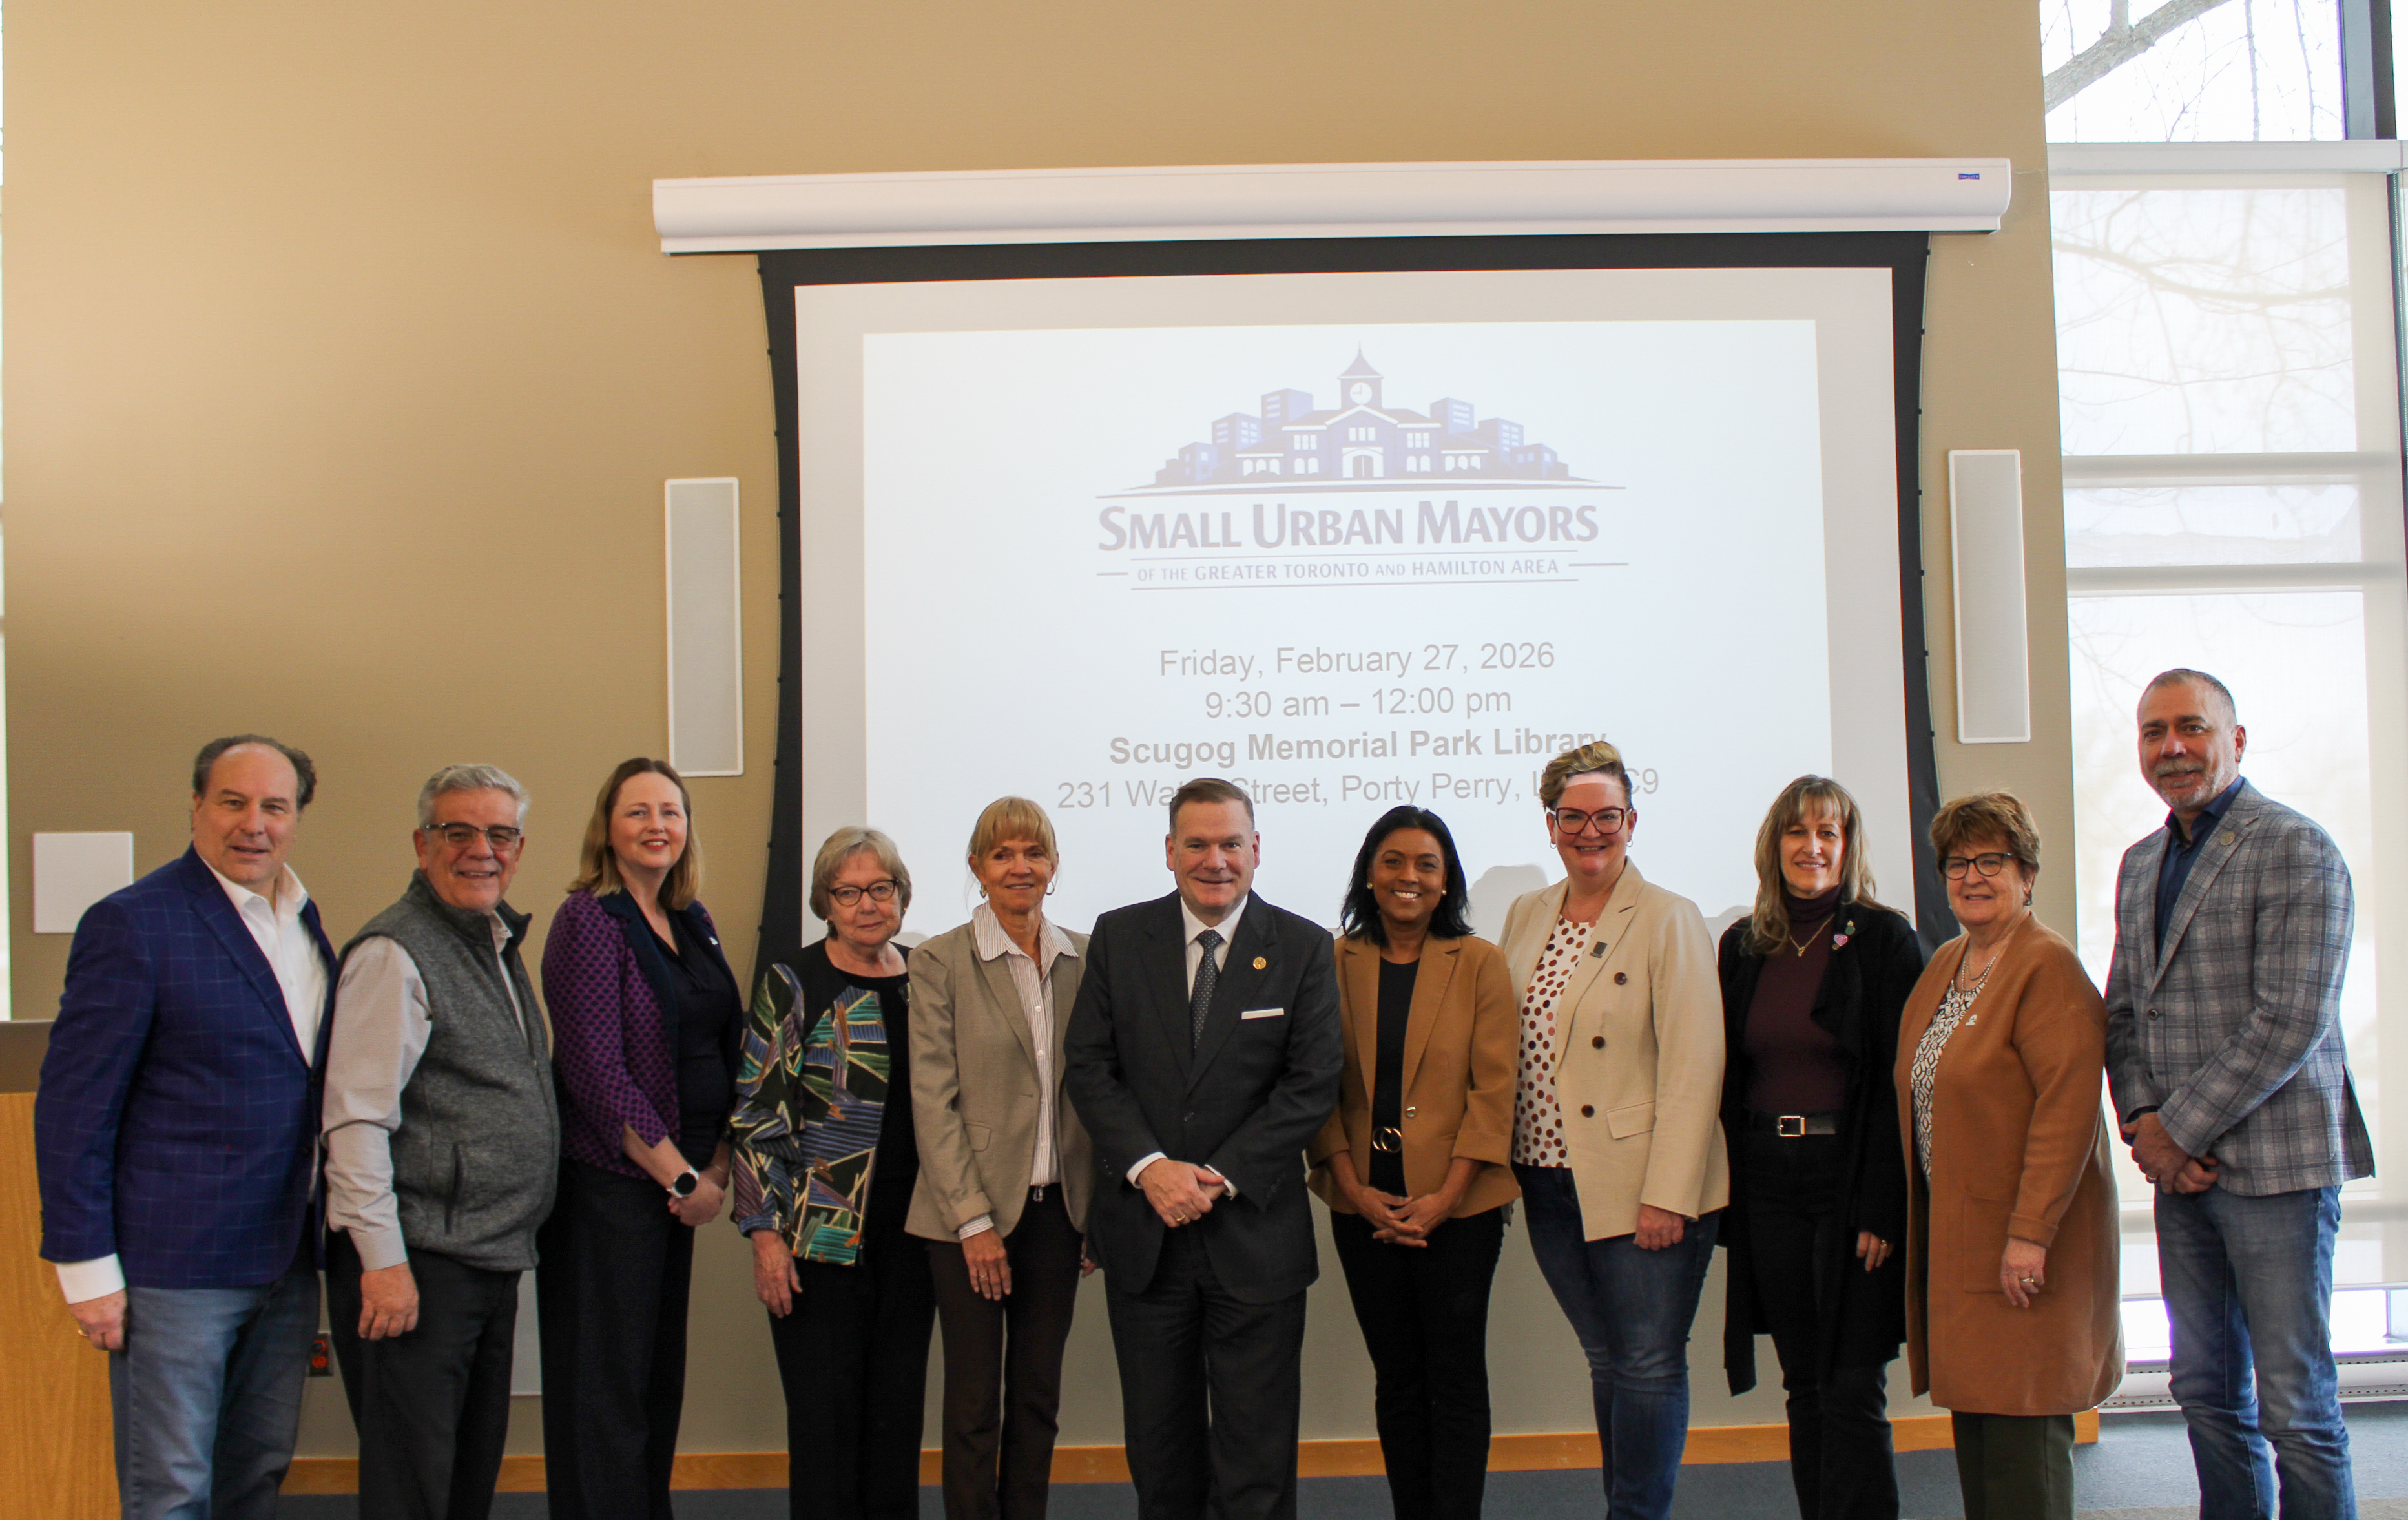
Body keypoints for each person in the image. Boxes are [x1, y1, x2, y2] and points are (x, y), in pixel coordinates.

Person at [34, 736, 337, 1520]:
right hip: (174, 1269)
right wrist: (87, 1271)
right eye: (232, 802)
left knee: (255, 1474)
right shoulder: (133, 924)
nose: (254, 824)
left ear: (298, 817)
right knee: (170, 1489)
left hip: (285, 1258)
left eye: (275, 806)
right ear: (196, 807)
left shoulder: (304, 922)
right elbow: (74, 1107)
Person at [2104, 669, 2369, 1520]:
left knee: (2296, 1405)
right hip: (2182, 1177)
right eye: (2154, 732)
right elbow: (2123, 1012)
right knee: (2206, 1388)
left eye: (2191, 727)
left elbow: (2290, 1018)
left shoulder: (2298, 847)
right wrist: (2145, 1125)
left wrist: (2175, 1131)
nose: (2171, 747)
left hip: (2277, 1175)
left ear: (2237, 740)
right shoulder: (2141, 862)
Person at [1063, 777, 1343, 1520]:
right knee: (1160, 1453)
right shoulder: (1119, 938)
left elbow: (1309, 1086)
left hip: (1254, 1237)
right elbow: (1089, 1068)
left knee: (1256, 1457)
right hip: (1145, 1235)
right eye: (1196, 844)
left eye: (1230, 843)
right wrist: (1152, 1169)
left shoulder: (1305, 947)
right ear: (1168, 851)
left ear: (1257, 851)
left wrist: (1215, 1178)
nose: (1214, 860)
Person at [323, 764, 559, 1520]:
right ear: (423, 843)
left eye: (499, 834)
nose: (481, 850)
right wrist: (384, 1264)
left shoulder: (491, 939)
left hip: (482, 1257)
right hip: (418, 1266)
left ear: (519, 848)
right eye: (459, 832)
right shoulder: (395, 953)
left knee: (461, 1482)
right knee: (412, 1487)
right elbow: (356, 1119)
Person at [1498, 740, 1725, 1520]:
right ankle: (1624, 1507)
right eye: (1572, 817)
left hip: (1638, 1187)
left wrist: (1669, 1194)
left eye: (1606, 816)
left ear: (1631, 822)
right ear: (1549, 824)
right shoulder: (1526, 914)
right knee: (1608, 1361)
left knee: (1648, 1364)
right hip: (1548, 1178)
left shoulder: (1668, 918)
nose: (1589, 832)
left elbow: (1695, 1068)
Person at [1896, 791, 2121, 1520]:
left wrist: (2028, 1234)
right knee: (1983, 1440)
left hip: (2026, 1247)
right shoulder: (1949, 964)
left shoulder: (2045, 966)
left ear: (2026, 873)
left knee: (2025, 1451)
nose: (1971, 876)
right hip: (1963, 1240)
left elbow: (2067, 1111)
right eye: (1957, 862)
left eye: (1991, 859)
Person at [536, 758, 743, 1520]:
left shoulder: (693, 919)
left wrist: (712, 1163)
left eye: (671, 810)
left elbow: (724, 1042)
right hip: (612, 1191)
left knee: (655, 1382)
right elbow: (594, 1073)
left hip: (681, 1186)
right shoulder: (589, 918)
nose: (657, 825)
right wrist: (681, 1180)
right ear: (607, 828)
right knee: (605, 1393)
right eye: (638, 812)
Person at [1716, 775, 1925, 1520]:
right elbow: (1728, 1077)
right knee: (1801, 1381)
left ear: (1847, 845)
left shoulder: (1885, 940)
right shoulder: (1743, 946)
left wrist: (1882, 1207)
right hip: (1768, 1180)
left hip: (1850, 1183)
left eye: (1826, 833)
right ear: (1774, 846)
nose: (1811, 847)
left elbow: (1899, 1087)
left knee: (1850, 1384)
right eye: (1796, 833)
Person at [1307, 805, 1518, 1520]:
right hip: (1360, 1204)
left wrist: (1444, 1197)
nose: (1408, 876)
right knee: (1396, 1378)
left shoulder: (1479, 962)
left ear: (1445, 879)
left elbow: (1494, 1094)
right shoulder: (1331, 961)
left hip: (1460, 1209)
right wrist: (1350, 1186)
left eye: (1426, 864)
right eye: (1393, 861)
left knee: (1454, 1378)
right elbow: (1315, 1085)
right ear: (1369, 873)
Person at [731, 826, 933, 1520]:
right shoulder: (794, 979)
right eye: (848, 891)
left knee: (896, 1417)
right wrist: (763, 1235)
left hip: (914, 1235)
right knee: (825, 1422)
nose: (867, 903)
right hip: (816, 1239)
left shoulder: (925, 978)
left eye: (881, 888)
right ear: (826, 901)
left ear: (902, 896)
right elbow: (757, 1113)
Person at [908, 797, 1095, 1520]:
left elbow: (1099, 1092)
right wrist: (973, 1223)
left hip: (1058, 1214)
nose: (1020, 866)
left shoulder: (1085, 957)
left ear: (1052, 865)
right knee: (973, 1404)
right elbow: (934, 1101)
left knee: (1038, 1399)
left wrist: (1093, 1210)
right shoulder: (938, 961)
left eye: (1033, 852)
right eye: (1002, 853)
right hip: (968, 1220)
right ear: (976, 868)